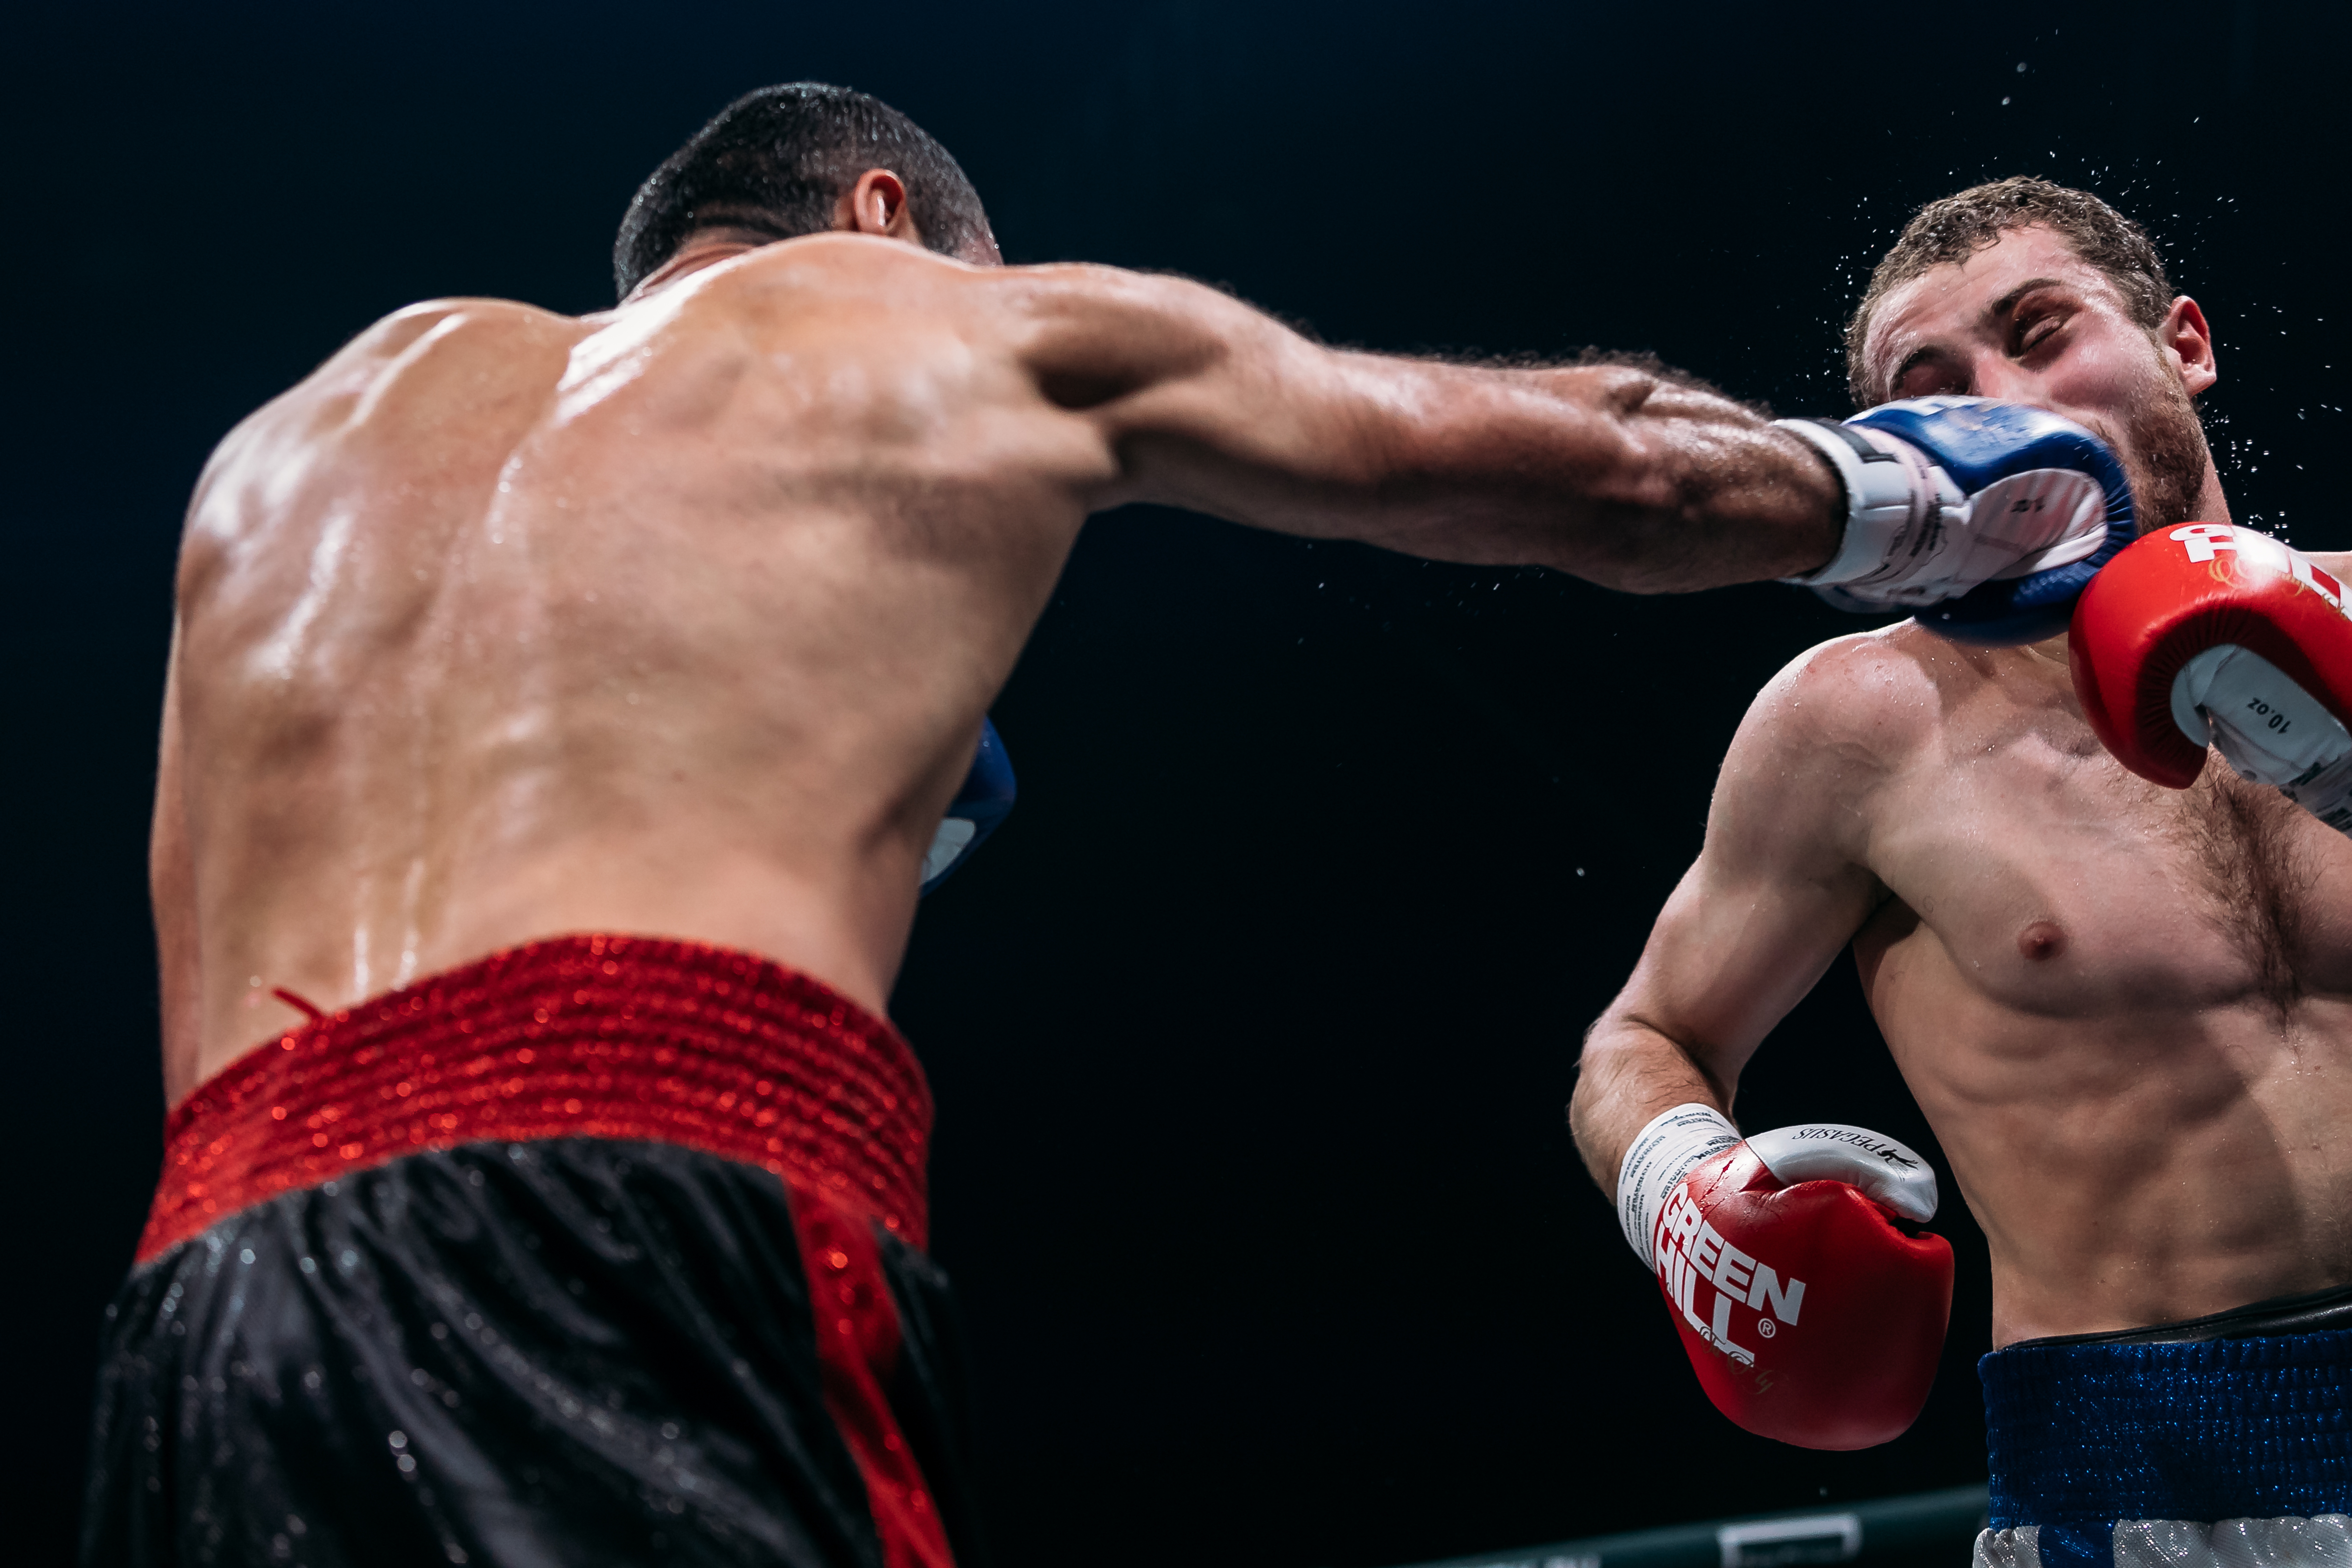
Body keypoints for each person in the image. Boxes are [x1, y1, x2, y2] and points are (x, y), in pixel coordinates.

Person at [82, 80, 2115, 1568]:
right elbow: (1611, 472)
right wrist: (1907, 492)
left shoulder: (306, 437)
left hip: (202, 1298)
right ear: (889, 215)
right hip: (649, 1212)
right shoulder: (916, 319)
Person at [1573, 177, 2352, 1565]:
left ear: (2186, 343)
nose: (2001, 407)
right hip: (2140, 1482)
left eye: (2041, 332)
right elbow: (1643, 1035)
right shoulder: (1855, 727)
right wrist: (1689, 1199)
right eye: (1928, 390)